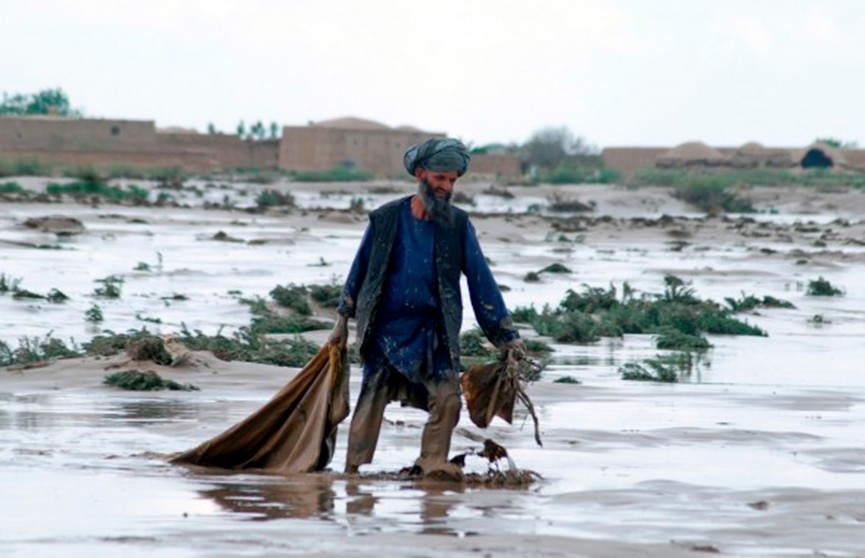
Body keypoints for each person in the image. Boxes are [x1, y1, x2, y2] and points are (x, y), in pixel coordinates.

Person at [329, 137, 524, 476]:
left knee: (448, 401)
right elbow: (359, 270)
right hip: (385, 331)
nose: (447, 187)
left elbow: (482, 283)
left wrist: (506, 335)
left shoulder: (458, 226)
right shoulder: (386, 219)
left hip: (434, 333)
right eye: (440, 179)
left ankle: (431, 466)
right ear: (420, 174)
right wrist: (342, 318)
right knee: (369, 403)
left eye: (452, 180)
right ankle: (352, 476)